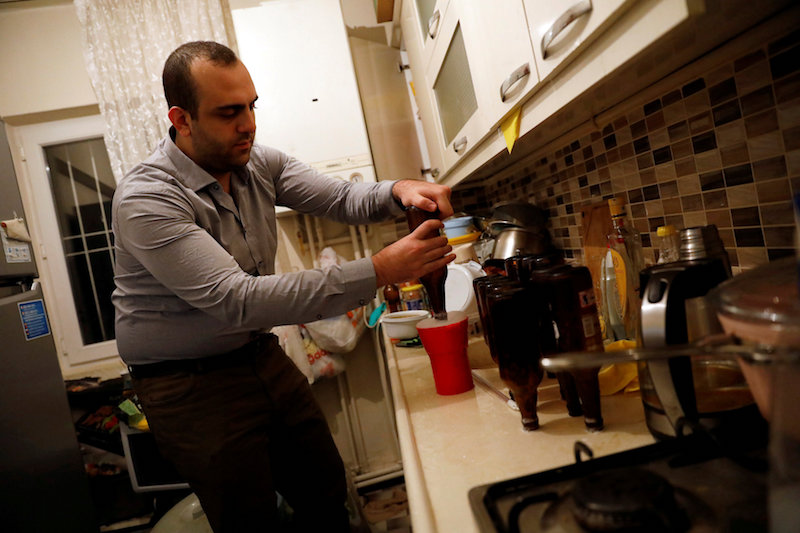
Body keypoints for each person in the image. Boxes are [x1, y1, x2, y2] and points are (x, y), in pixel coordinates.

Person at [111, 41, 454, 533]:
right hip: (187, 386)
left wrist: (400, 189)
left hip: (259, 357)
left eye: (252, 106)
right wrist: (380, 269)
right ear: (181, 119)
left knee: (325, 494)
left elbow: (341, 196)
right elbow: (237, 300)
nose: (248, 123)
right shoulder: (147, 197)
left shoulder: (256, 163)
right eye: (229, 112)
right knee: (250, 521)